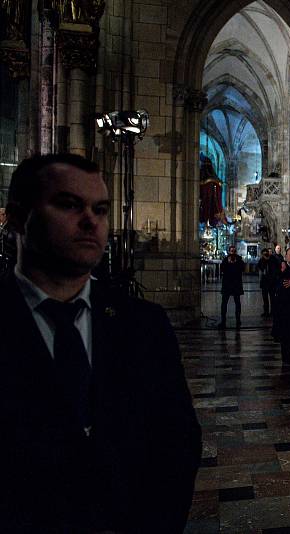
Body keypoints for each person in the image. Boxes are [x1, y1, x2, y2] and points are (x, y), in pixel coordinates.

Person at [0, 154, 201, 531]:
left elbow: (178, 445)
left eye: (101, 209)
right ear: (15, 218)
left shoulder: (145, 325)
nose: (91, 220)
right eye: (68, 204)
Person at [220, 244, 245, 329]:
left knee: (237, 302)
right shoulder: (225, 259)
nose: (233, 253)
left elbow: (243, 268)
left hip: (236, 284)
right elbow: (222, 269)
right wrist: (228, 263)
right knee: (224, 303)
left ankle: (238, 320)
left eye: (234, 251)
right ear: (229, 251)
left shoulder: (239, 259)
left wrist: (236, 263)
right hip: (227, 284)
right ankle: (223, 320)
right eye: (231, 251)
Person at [257, 247, 274, 317]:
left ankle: (273, 312)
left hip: (271, 282)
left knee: (272, 298)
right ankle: (266, 312)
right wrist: (264, 260)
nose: (266, 255)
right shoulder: (261, 260)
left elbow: (275, 269)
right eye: (264, 254)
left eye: (266, 254)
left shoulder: (272, 259)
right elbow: (259, 267)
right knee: (265, 298)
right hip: (264, 283)